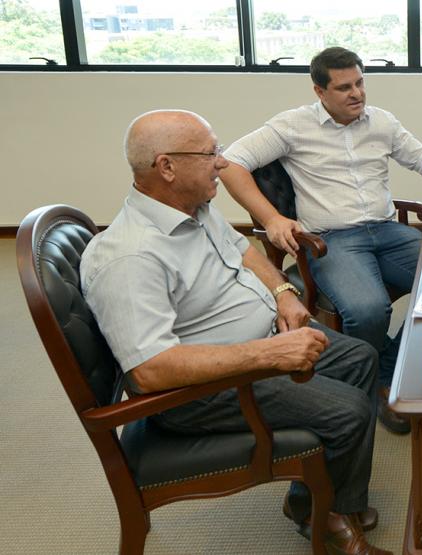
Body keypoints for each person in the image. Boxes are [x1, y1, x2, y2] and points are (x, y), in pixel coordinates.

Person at [81, 109, 392, 555]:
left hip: (258, 344)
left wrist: (284, 293)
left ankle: (320, 504)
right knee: (349, 412)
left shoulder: (192, 208)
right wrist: (269, 355)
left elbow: (244, 251)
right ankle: (330, 525)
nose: (223, 164)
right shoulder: (131, 258)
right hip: (204, 389)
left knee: (360, 358)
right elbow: (151, 371)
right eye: (211, 153)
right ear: (166, 167)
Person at [220, 46, 422, 434]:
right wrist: (272, 217)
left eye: (360, 83)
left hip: (387, 231)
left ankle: (386, 371)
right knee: (368, 310)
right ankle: (374, 384)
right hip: (333, 240)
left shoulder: (381, 122)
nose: (357, 94)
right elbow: (229, 163)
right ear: (320, 92)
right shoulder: (292, 126)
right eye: (344, 88)